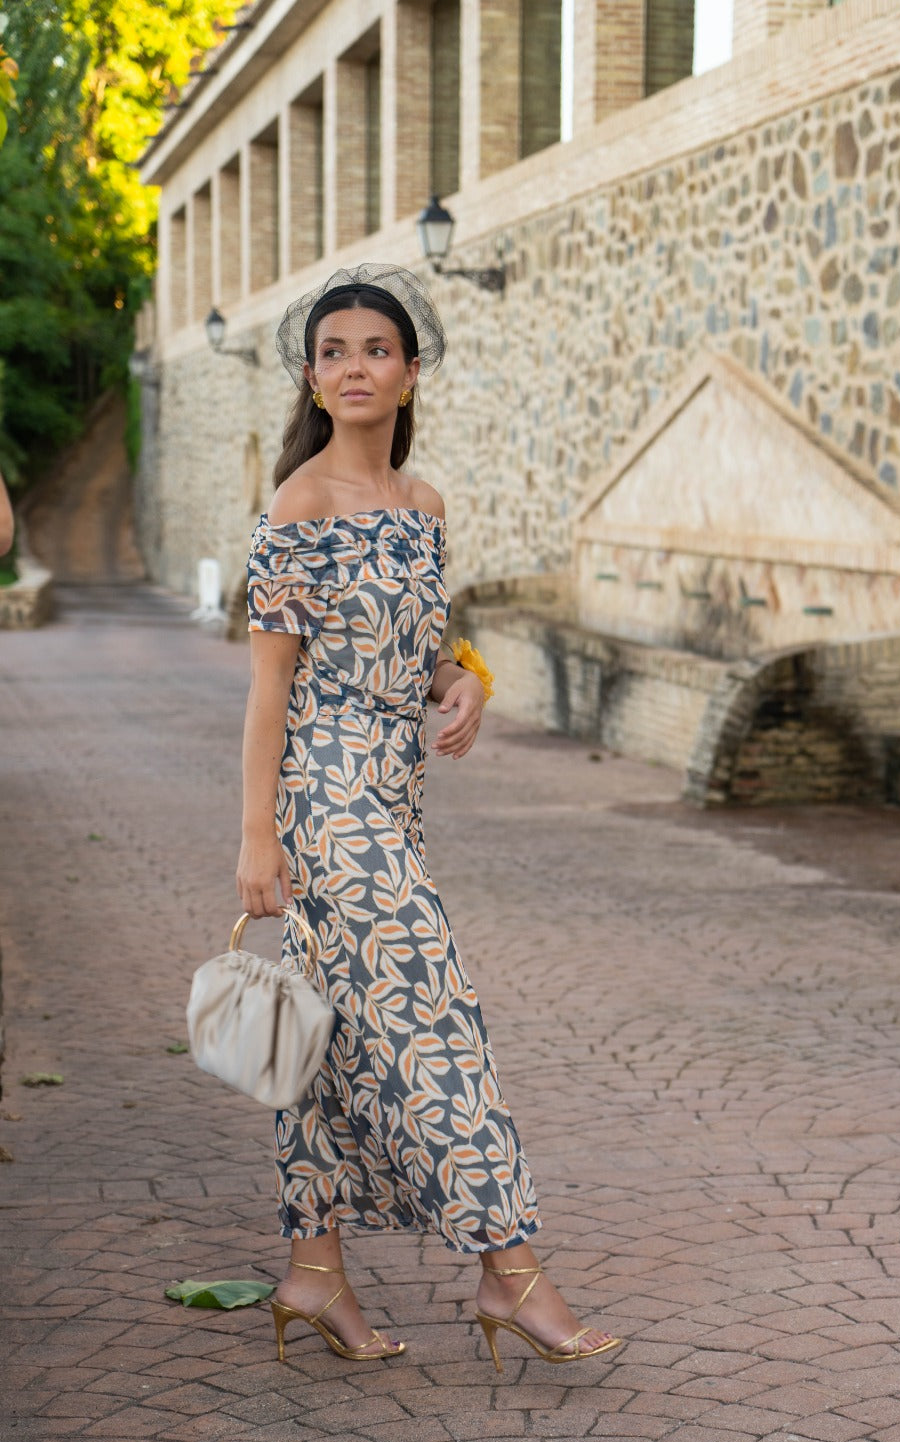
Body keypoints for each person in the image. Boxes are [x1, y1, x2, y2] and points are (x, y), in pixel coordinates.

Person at [237, 265, 620, 1372]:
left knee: (322, 1037)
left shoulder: (424, 507)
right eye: (334, 352)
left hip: (392, 802)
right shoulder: (298, 505)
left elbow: (425, 645)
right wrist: (257, 835)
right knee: (434, 1018)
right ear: (312, 378)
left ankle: (314, 1272)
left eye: (376, 350)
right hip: (326, 802)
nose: (354, 367)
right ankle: (511, 1270)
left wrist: (465, 682)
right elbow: (269, 686)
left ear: (410, 373)